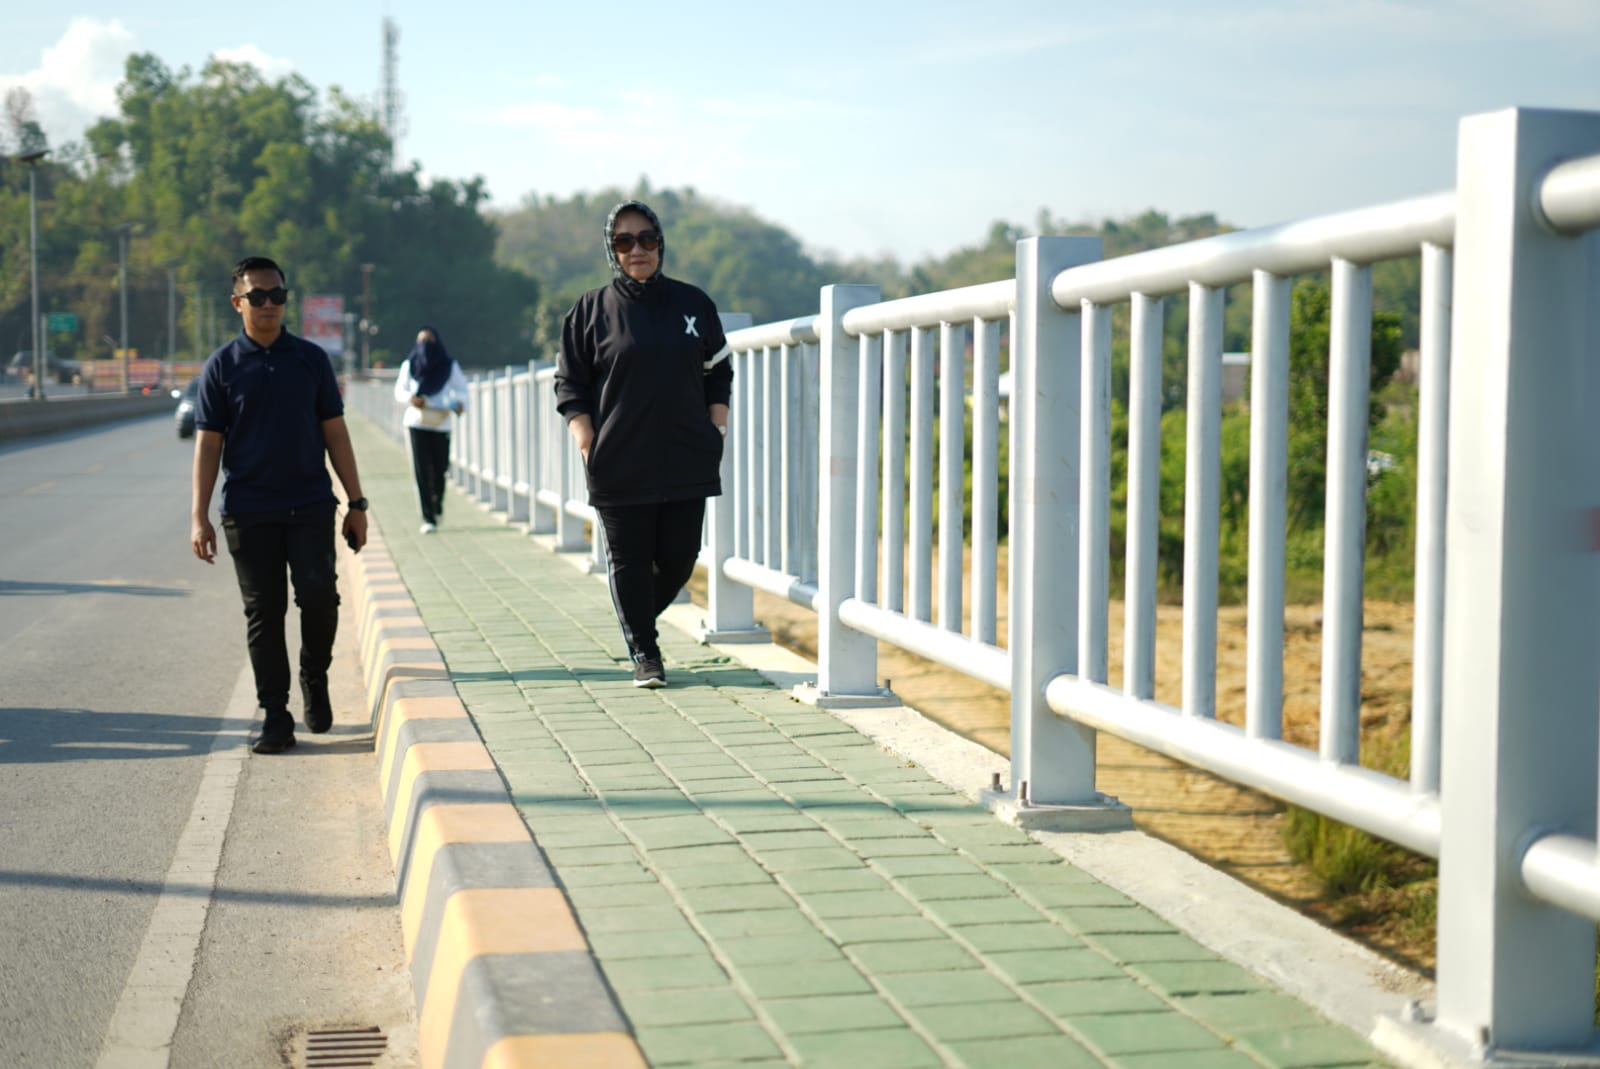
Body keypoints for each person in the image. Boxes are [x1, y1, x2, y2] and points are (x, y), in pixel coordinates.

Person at [190, 256, 370, 754]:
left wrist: (356, 502)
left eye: (278, 295)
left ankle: (315, 675)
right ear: (237, 303)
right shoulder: (221, 367)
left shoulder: (311, 360)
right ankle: (275, 713)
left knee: (319, 597)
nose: (269, 305)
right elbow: (208, 445)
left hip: (310, 503)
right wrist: (198, 516)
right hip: (249, 510)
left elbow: (335, 433)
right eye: (258, 296)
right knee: (263, 613)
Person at [555, 200, 733, 688]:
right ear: (612, 249)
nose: (638, 250)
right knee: (629, 559)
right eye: (624, 241)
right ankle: (644, 651)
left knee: (680, 556)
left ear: (661, 243)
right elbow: (569, 384)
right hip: (619, 459)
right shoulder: (590, 311)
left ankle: (635, 617)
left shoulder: (693, 304)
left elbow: (718, 371)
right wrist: (585, 437)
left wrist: (716, 428)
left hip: (686, 455)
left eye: (647, 239)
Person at [393, 325, 468, 533]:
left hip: (441, 422)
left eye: (429, 341)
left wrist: (459, 403)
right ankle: (428, 518)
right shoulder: (410, 365)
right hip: (416, 422)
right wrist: (411, 399)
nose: (425, 347)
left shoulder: (449, 366)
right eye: (421, 341)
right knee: (421, 470)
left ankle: (437, 504)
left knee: (440, 469)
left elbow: (462, 389)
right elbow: (399, 389)